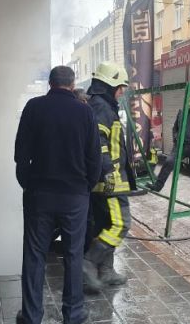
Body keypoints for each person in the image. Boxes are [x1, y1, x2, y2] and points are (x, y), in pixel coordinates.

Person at [14, 66, 100, 324]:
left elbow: (21, 155)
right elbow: (94, 159)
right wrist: (85, 189)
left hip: (39, 194)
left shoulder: (33, 107)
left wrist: (28, 185)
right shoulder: (85, 112)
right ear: (72, 85)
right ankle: (73, 315)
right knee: (73, 254)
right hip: (74, 197)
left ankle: (31, 316)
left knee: (34, 255)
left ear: (50, 83)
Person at [83, 61, 134, 293]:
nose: (122, 91)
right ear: (108, 85)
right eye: (119, 86)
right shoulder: (101, 108)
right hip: (109, 181)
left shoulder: (100, 105)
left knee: (104, 224)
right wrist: (109, 173)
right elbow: (100, 145)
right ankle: (89, 262)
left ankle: (106, 271)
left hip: (105, 180)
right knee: (121, 223)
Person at [146, 93, 190, 204]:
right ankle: (157, 186)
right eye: (186, 101)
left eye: (189, 100)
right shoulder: (181, 113)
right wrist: (176, 139)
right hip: (182, 145)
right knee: (169, 162)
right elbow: (175, 128)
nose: (187, 103)